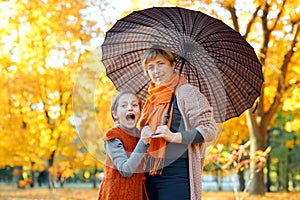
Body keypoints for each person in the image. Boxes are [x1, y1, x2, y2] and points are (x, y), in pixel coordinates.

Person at [140, 46, 217, 200]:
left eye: (161, 63)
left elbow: (209, 130)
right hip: (148, 173)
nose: (156, 71)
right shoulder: (150, 100)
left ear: (172, 64)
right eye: (151, 67)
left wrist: (174, 136)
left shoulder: (187, 92)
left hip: (176, 174)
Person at [98, 91, 153, 200]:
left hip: (135, 194)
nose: (130, 108)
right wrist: (143, 142)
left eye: (134, 105)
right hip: (116, 195)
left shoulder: (140, 136)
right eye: (124, 105)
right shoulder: (113, 136)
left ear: (140, 112)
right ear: (115, 114)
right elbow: (126, 170)